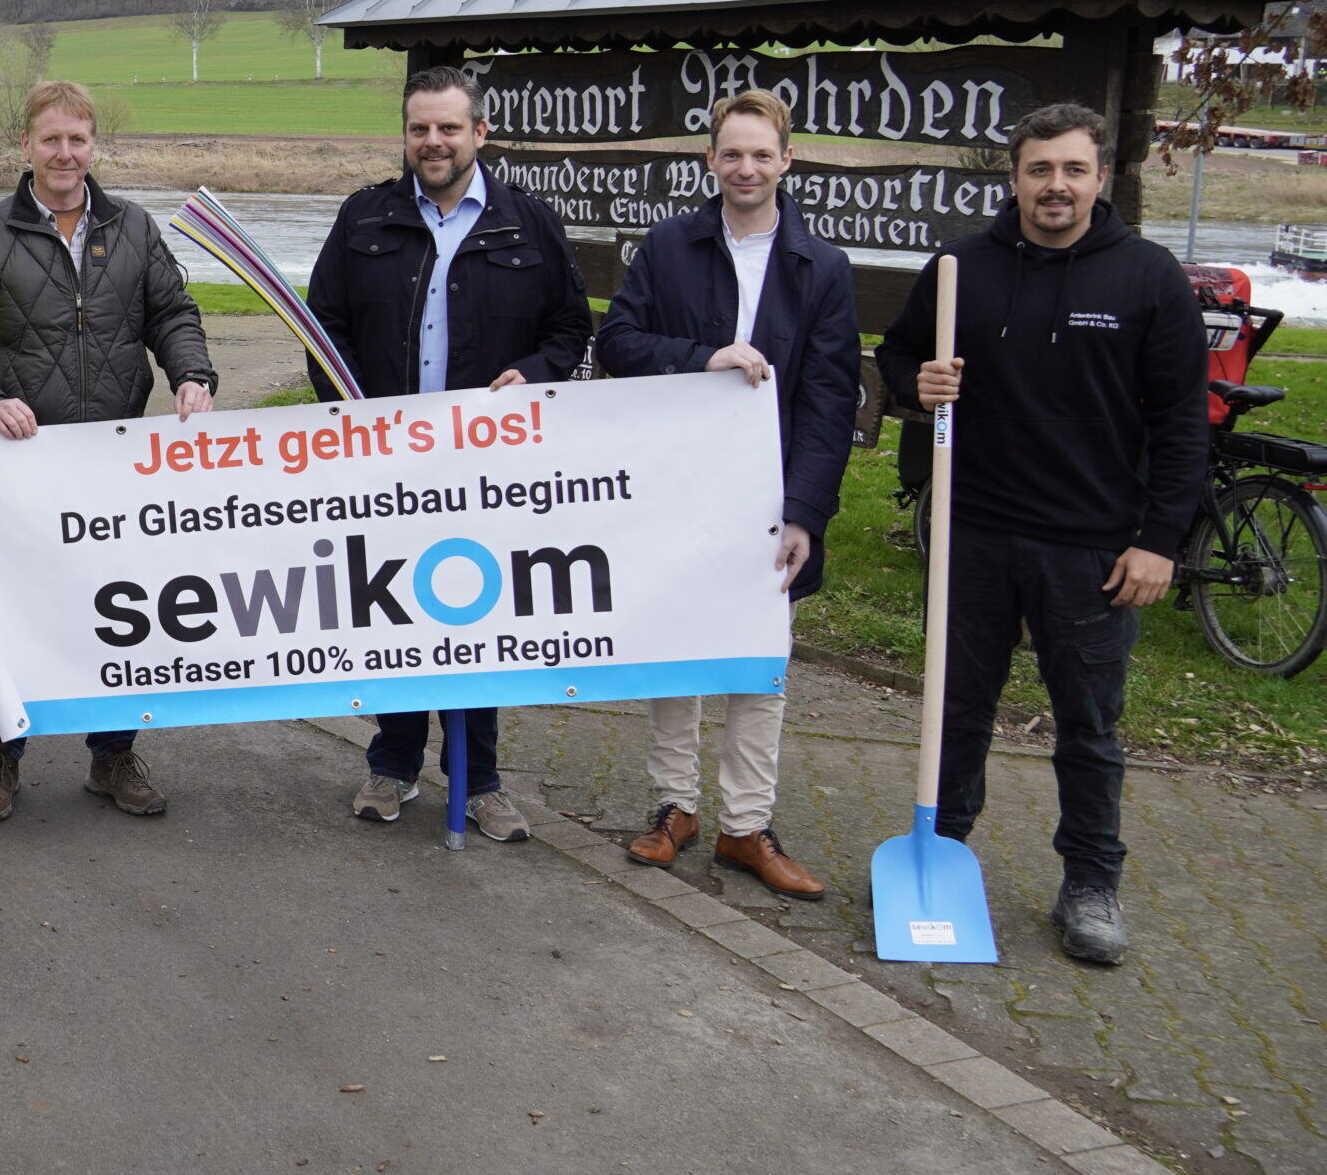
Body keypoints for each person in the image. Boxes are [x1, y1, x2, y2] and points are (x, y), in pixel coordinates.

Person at [876, 102, 1205, 966]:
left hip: (1092, 548)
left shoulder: (1148, 278)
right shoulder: (961, 269)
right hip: (972, 533)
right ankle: (938, 854)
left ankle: (1090, 884)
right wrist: (921, 382)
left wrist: (1160, 539)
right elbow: (894, 361)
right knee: (958, 712)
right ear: (1015, 177)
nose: (1055, 186)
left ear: (1100, 178)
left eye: (1072, 170)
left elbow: (1180, 423)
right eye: (1038, 170)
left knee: (1089, 726)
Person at [304, 62, 593, 838]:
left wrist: (530, 376)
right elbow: (319, 328)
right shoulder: (365, 219)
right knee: (396, 611)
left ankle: (479, 779)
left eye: (448, 128)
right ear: (405, 135)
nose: (432, 142)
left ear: (480, 133)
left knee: (475, 612)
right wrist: (351, 414)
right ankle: (392, 764)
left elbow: (572, 329)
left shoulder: (527, 223)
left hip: (485, 466)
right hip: (385, 464)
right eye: (419, 129)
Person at [0, 80, 219, 821]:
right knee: (12, 610)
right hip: (22, 468)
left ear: (94, 146)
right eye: (50, 139)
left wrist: (191, 374)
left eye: (78, 139)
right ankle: (1, 752)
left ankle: (112, 755)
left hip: (117, 465)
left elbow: (172, 313)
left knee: (121, 608)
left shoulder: (133, 228)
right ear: (24, 147)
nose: (65, 153)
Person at [595, 89, 858, 899]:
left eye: (761, 153)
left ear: (787, 160)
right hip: (680, 485)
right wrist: (700, 356)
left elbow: (830, 398)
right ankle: (676, 807)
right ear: (710, 161)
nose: (746, 167)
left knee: (758, 663)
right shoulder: (670, 247)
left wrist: (806, 513)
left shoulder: (821, 267)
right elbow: (616, 345)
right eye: (731, 153)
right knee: (676, 648)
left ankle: (748, 824)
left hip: (771, 498)